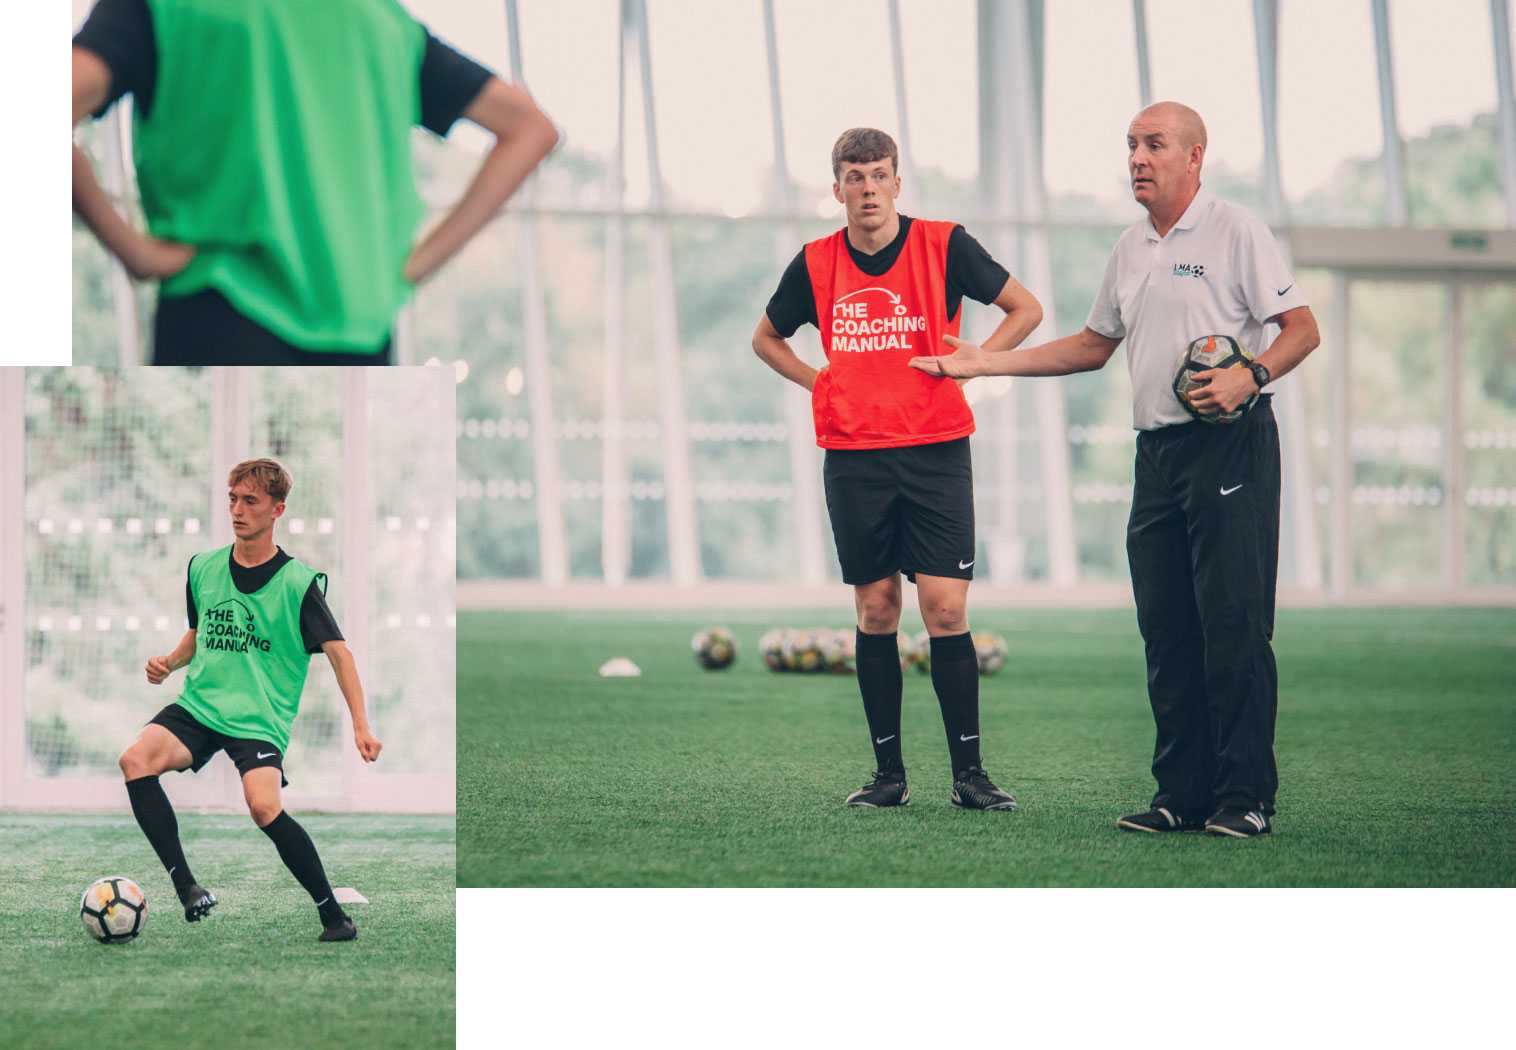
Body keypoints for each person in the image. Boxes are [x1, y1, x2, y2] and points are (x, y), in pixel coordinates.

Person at [914, 102, 1321, 838]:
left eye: (1154, 145)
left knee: (1232, 626)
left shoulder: (1237, 231)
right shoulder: (1132, 248)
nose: (1137, 157)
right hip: (1157, 457)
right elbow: (1090, 345)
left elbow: (1303, 329)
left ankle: (1245, 798)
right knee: (1166, 629)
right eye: (1131, 144)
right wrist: (985, 362)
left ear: (1194, 156)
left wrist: (1250, 375)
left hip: (1231, 449)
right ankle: (1181, 795)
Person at [753, 127, 1043, 810]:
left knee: (944, 608)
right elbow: (766, 337)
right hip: (854, 457)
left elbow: (1025, 310)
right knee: (876, 607)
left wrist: (976, 360)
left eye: (879, 175)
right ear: (838, 190)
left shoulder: (944, 245)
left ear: (897, 182)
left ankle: (970, 777)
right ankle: (889, 777)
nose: (868, 189)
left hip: (937, 450)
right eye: (855, 178)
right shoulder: (816, 262)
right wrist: (816, 381)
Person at [71, 0, 559, 365]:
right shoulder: (381, 21)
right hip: (360, 337)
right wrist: (414, 265)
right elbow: (530, 129)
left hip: (218, 314)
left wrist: (131, 248)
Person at [119, 459, 383, 940]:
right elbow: (200, 633)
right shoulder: (203, 567)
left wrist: (361, 725)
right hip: (200, 705)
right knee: (135, 760)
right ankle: (187, 888)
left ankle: (334, 917)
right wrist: (170, 664)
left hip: (259, 718)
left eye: (250, 501)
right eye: (232, 499)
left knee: (263, 806)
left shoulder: (299, 584)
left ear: (277, 510)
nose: (237, 510)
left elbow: (340, 655)